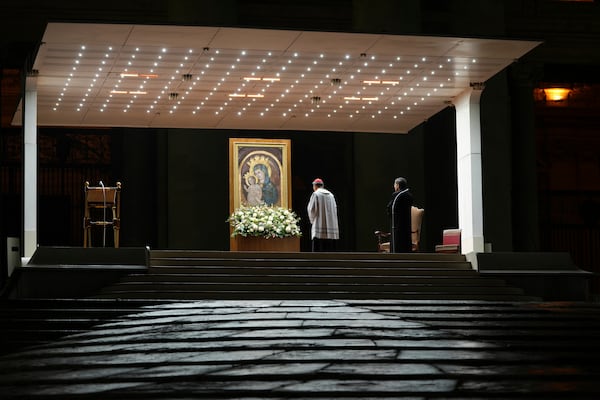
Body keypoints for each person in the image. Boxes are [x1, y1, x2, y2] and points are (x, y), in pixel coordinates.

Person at [307, 178, 339, 252]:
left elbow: (311, 209)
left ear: (315, 186)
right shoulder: (331, 195)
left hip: (319, 225)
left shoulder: (316, 194)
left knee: (318, 249)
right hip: (331, 226)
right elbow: (335, 209)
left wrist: (312, 221)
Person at [386, 177, 413, 253]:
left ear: (397, 185)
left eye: (394, 184)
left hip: (397, 225)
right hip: (406, 224)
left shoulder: (397, 195)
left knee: (397, 244)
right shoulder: (409, 195)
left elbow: (390, 208)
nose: (394, 186)